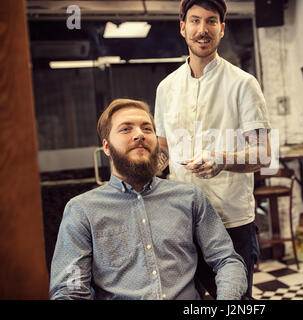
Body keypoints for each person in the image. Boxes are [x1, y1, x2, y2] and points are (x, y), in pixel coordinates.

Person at [49, 98, 247, 300]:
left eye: (147, 128)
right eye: (126, 129)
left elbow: (227, 260)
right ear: (106, 148)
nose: (139, 135)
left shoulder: (189, 197)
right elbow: (69, 290)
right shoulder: (82, 210)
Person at [154, 0, 271, 298]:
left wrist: (222, 159)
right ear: (183, 27)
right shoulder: (165, 88)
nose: (202, 29)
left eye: (211, 21)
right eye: (194, 21)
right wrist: (138, 170)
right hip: (181, 221)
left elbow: (264, 155)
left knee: (234, 300)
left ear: (222, 28)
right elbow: (163, 152)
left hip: (231, 222)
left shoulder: (244, 84)